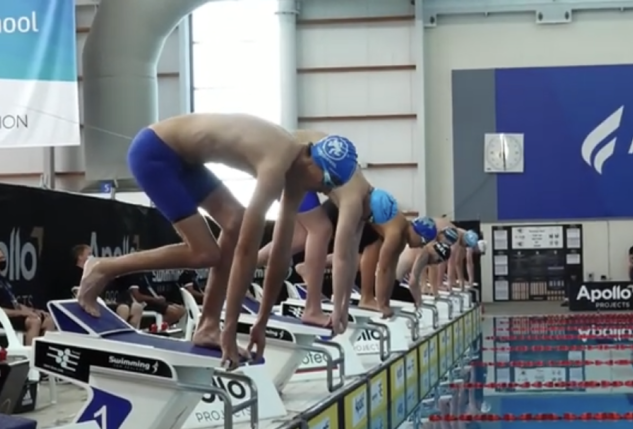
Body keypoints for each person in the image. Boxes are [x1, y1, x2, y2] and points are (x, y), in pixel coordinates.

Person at [77, 113, 358, 368]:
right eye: (327, 181)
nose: (324, 191)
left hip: (185, 161)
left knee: (234, 220)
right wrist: (231, 330)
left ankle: (208, 326)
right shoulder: (277, 162)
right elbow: (248, 249)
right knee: (205, 253)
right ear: (314, 161)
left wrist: (261, 322)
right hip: (155, 153)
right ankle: (104, 266)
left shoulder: (297, 176)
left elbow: (281, 253)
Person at [256, 129, 373, 331]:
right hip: (293, 161)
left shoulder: (365, 193)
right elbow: (341, 258)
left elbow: (351, 254)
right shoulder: (354, 202)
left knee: (301, 238)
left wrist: (343, 308)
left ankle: (246, 265)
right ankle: (312, 308)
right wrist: (338, 310)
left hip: (298, 155)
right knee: (321, 229)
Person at [360, 214, 449, 318]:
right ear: (417, 232)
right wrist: (381, 305)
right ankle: (366, 298)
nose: (421, 246)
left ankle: (370, 298)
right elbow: (383, 269)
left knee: (375, 248)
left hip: (367, 221)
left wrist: (386, 302)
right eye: (423, 242)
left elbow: (391, 270)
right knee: (373, 248)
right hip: (359, 217)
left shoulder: (402, 239)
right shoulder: (396, 234)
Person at [0, 246, 55, 346]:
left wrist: (33, 310)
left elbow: (15, 303)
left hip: (15, 316)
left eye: (4, 258)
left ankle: (42, 353)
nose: (3, 260)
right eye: (0, 259)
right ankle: (30, 355)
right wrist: (21, 313)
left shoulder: (2, 279)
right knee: (34, 321)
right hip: (2, 318)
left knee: (49, 320)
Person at [71, 245, 143, 327]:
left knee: (137, 307)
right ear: (80, 257)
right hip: (94, 303)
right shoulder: (75, 273)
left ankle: (130, 333)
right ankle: (116, 334)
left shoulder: (94, 272)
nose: (92, 256)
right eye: (89, 254)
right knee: (123, 309)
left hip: (108, 301)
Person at [395, 242, 452, 307]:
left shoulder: (420, 247)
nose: (435, 263)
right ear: (434, 252)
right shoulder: (424, 254)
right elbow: (413, 283)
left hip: (385, 281)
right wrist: (419, 300)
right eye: (438, 260)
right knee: (413, 300)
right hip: (390, 286)